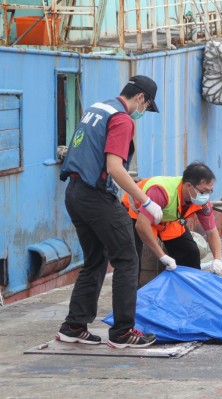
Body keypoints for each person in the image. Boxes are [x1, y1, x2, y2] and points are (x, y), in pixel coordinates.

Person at [57, 75, 160, 348]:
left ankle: (74, 325)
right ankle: (123, 332)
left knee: (95, 258)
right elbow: (114, 167)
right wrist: (144, 200)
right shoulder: (122, 119)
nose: (143, 112)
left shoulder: (97, 108)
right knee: (127, 258)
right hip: (95, 196)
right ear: (141, 98)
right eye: (147, 107)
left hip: (74, 193)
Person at [122, 162, 222, 284]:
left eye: (210, 191)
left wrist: (218, 259)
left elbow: (212, 231)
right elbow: (141, 225)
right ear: (188, 186)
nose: (206, 196)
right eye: (203, 191)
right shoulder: (161, 192)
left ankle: (189, 292)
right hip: (135, 214)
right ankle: (132, 299)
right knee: (132, 261)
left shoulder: (201, 201)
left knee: (189, 253)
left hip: (167, 219)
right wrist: (162, 256)